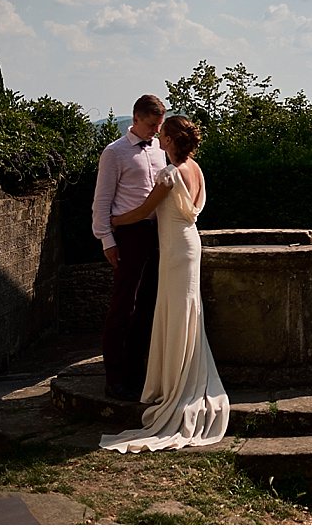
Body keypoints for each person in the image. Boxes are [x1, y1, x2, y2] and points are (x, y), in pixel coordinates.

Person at [100, 115, 229, 452]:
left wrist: (113, 221)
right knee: (186, 309)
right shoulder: (197, 169)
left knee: (173, 310)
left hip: (173, 250)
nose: (159, 140)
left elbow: (144, 211)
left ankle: (173, 383)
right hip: (190, 244)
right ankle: (180, 373)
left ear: (170, 140)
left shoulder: (169, 174)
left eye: (164, 137)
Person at [93, 94, 167, 402]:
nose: (155, 131)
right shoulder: (115, 153)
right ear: (136, 119)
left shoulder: (161, 152)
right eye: (151, 125)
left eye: (158, 126)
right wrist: (107, 240)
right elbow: (101, 201)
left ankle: (138, 374)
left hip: (157, 233)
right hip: (129, 234)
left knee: (148, 304)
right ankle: (115, 377)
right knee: (124, 306)